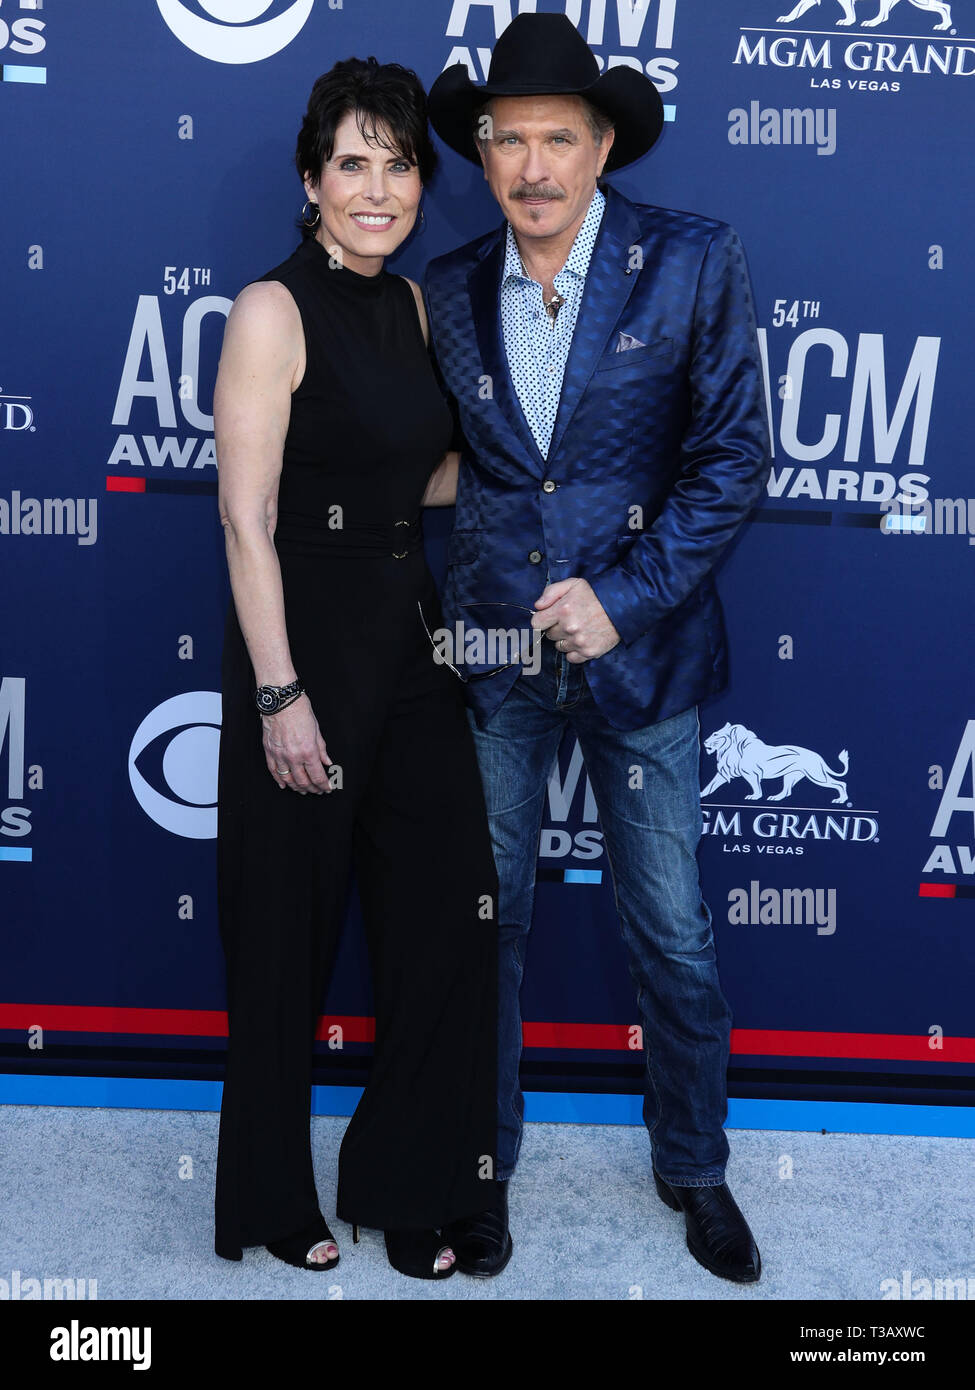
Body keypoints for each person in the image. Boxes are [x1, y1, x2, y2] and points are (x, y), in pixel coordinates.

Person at [423, 13, 770, 1282]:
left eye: (557, 138)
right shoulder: (447, 289)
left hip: (644, 654)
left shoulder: (691, 259)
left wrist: (621, 597)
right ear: (481, 148)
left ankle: (696, 1166)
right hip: (493, 662)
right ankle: (478, 1171)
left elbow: (735, 460)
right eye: (507, 139)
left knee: (671, 931)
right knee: (484, 924)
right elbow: (458, 458)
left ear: (603, 142)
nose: (532, 166)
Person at [212, 56, 498, 1281]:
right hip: (305, 635)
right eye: (352, 164)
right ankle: (275, 1197)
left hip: (413, 631)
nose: (376, 189)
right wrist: (279, 691)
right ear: (311, 177)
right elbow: (245, 514)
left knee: (444, 917)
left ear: (422, 185)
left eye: (398, 165)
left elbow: (418, 470)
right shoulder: (270, 310)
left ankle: (409, 1184)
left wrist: (524, 471)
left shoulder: (421, 307)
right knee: (287, 935)